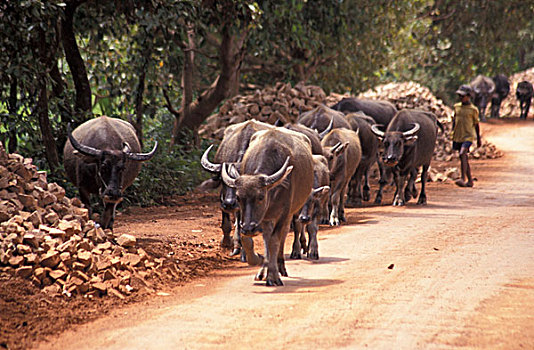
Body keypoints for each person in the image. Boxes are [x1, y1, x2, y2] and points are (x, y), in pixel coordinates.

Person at [451, 84, 482, 187]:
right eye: (459, 96)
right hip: (458, 135)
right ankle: (470, 181)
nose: (461, 98)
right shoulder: (456, 107)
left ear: (469, 96)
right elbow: (454, 120)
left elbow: (476, 125)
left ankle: (462, 178)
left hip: (468, 136)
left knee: (462, 153)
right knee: (464, 157)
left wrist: (478, 139)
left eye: (462, 96)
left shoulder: (473, 109)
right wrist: (452, 132)